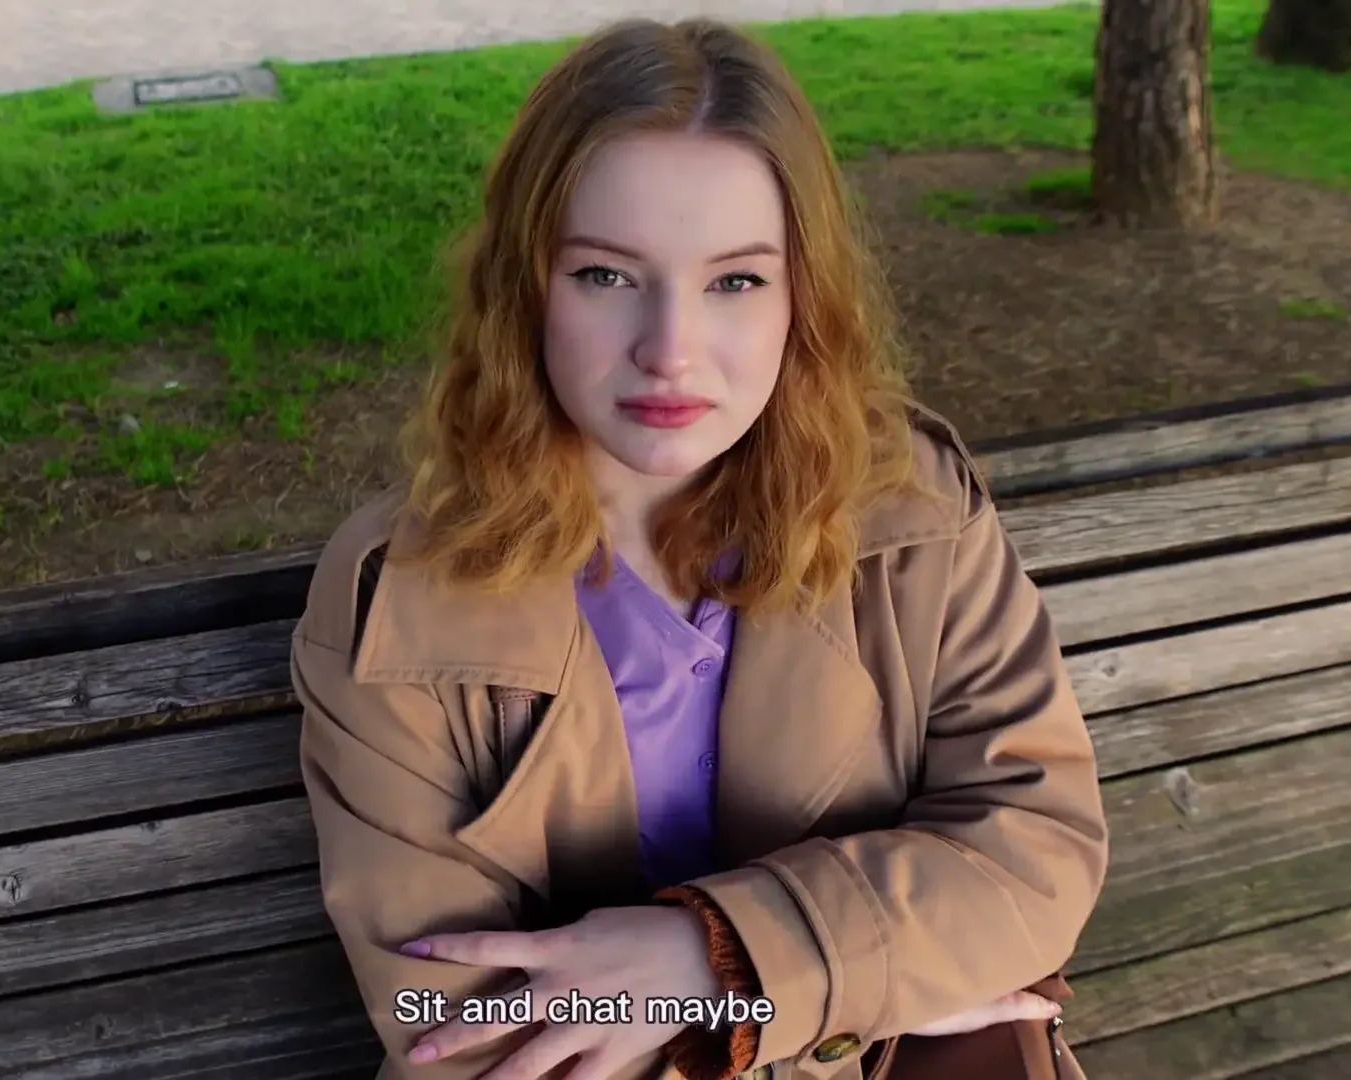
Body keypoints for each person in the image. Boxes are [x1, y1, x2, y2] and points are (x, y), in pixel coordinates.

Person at [293, 16, 1109, 1080]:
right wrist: (861, 987)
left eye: (735, 281)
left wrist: (717, 961)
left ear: (802, 295)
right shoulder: (397, 600)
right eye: (605, 276)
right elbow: (439, 1021)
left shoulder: (909, 512)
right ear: (524, 287)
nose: (670, 351)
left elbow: (1037, 854)